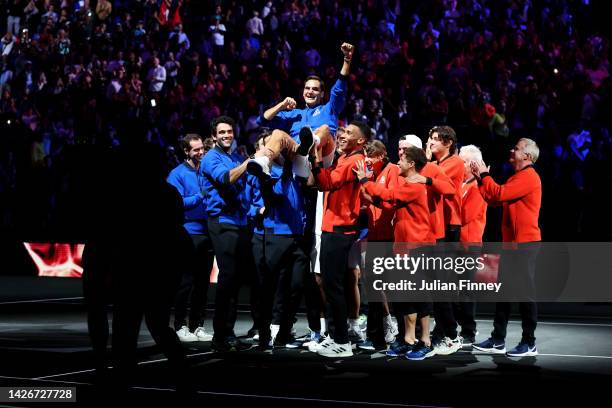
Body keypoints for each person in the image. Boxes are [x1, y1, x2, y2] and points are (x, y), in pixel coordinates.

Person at [355, 146, 436, 360]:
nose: (398, 163)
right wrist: (369, 195)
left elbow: (389, 194)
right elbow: (390, 203)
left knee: (419, 294)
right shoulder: (409, 184)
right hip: (403, 247)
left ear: (411, 164)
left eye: (402, 160)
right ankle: (409, 338)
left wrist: (365, 180)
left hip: (418, 247)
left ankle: (425, 340)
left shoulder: (415, 185)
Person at [471, 138, 542, 357]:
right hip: (512, 244)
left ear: (527, 156)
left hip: (525, 243)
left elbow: (500, 193)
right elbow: (494, 199)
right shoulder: (518, 176)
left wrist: (485, 175)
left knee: (524, 294)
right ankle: (498, 339)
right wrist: (480, 181)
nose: (512, 150)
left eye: (517, 149)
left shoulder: (529, 177)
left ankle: (529, 342)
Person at [248, 42, 355, 178]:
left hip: (321, 157)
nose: (310, 92)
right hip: (298, 157)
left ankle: (310, 143)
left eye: (315, 89)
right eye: (307, 88)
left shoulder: (329, 109)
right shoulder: (294, 114)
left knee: (324, 130)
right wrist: (281, 105)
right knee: (277, 133)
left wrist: (347, 60)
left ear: (322, 94)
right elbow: (262, 119)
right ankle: (264, 162)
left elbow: (338, 90)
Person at [309, 121, 368, 358]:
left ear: (360, 141)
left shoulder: (354, 160)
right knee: (333, 285)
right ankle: (335, 337)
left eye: (349, 133)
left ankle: (342, 341)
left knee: (333, 286)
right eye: (342, 132)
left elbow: (327, 183)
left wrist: (315, 158)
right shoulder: (346, 158)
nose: (342, 135)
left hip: (339, 228)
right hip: (335, 226)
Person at [201, 116, 251, 352]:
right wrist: (249, 164)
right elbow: (226, 178)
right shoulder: (212, 158)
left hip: (238, 222)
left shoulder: (233, 157)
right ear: (213, 136)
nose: (226, 135)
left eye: (229, 131)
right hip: (222, 222)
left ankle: (227, 332)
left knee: (235, 279)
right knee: (228, 278)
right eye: (222, 132)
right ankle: (220, 335)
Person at [167, 134, 215, 342]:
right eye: (195, 150)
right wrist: (199, 197)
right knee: (185, 283)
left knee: (202, 283)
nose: (200, 152)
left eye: (201, 149)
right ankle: (180, 326)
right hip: (188, 233)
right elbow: (175, 204)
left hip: (208, 232)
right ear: (186, 151)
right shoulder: (176, 174)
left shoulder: (206, 170)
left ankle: (198, 326)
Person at [427, 125, 464, 355]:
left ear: (448, 142)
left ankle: (450, 333)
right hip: (435, 227)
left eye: (434, 139)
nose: (430, 142)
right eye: (429, 139)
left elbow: (436, 184)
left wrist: (425, 162)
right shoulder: (436, 164)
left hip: (449, 226)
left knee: (442, 284)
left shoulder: (454, 163)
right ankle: (442, 331)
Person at [456, 144, 488, 346]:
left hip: (469, 245)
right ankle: (453, 327)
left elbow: (465, 216)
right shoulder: (460, 183)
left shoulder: (477, 187)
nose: (459, 164)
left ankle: (468, 331)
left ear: (472, 164)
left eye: (463, 161)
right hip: (456, 244)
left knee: (466, 290)